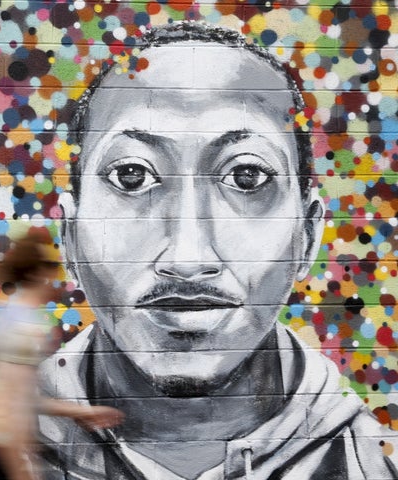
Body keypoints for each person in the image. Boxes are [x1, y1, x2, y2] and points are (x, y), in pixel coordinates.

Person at [37, 22, 398, 479]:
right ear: (69, 236)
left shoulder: (376, 464)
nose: (187, 259)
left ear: (308, 234)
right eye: (131, 176)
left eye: (247, 178)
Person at [0, 230, 124, 480]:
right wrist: (21, 472)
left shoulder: (13, 314)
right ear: (36, 273)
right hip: (4, 455)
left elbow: (23, 398)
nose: (60, 274)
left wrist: (81, 413)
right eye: (53, 266)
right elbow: (15, 410)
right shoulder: (24, 326)